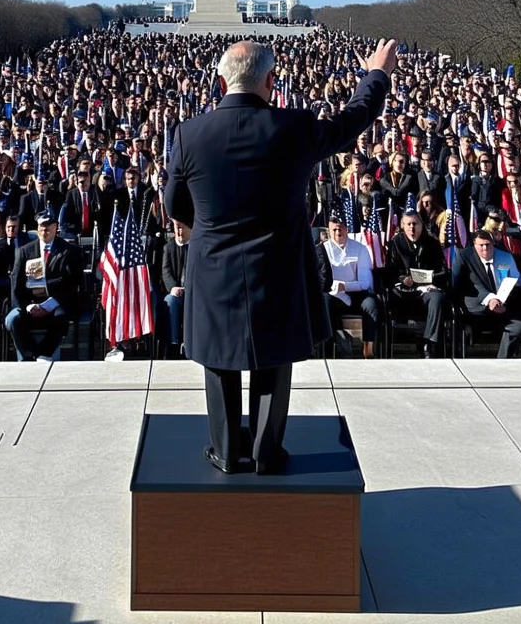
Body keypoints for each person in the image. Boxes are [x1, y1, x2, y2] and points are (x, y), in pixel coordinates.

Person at [164, 36, 395, 475]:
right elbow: (354, 120)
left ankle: (228, 452)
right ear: (271, 80)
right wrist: (376, 75)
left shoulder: (188, 134)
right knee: (274, 361)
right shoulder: (295, 128)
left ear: (220, 81)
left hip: (213, 266)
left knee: (219, 361)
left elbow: (175, 204)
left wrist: (212, 223)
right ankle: (268, 452)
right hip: (278, 265)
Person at [6, 213, 79, 361]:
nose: (44, 232)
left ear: (55, 228)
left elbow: (73, 284)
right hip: (30, 303)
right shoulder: (24, 251)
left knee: (61, 318)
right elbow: (16, 283)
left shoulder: (69, 251)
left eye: (48, 229)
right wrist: (28, 306)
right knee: (13, 319)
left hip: (55, 302)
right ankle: (30, 354)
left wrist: (49, 305)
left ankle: (43, 355)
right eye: (41, 228)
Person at [452, 229, 521, 358]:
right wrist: (490, 299)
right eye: (480, 245)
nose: (485, 248)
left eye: (488, 244)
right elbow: (465, 284)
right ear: (474, 245)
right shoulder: (465, 256)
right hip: (477, 304)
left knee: (519, 327)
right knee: (465, 326)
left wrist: (503, 300)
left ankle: (502, 361)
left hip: (504, 305)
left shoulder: (505, 256)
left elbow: (519, 281)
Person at [316, 203, 378, 358]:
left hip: (357, 293)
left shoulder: (360, 249)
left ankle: (368, 350)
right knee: (324, 302)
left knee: (371, 304)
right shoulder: (323, 249)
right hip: (332, 295)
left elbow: (366, 282)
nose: (338, 233)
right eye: (334, 230)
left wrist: (345, 286)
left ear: (347, 228)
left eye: (341, 228)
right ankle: (328, 349)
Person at [384, 211, 450, 356]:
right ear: (403, 226)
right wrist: (402, 279)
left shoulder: (432, 243)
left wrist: (427, 279)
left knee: (437, 299)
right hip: (403, 292)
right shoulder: (396, 242)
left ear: (421, 225)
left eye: (415, 224)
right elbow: (390, 271)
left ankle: (429, 343)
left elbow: (444, 272)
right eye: (408, 224)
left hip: (426, 291)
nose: (412, 228)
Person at [160, 219, 190, 357]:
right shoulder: (169, 248)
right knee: (170, 302)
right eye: (177, 228)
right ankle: (173, 343)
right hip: (175, 292)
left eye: (182, 228)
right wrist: (173, 287)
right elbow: (166, 271)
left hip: (193, 293)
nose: (179, 232)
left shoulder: (196, 247)